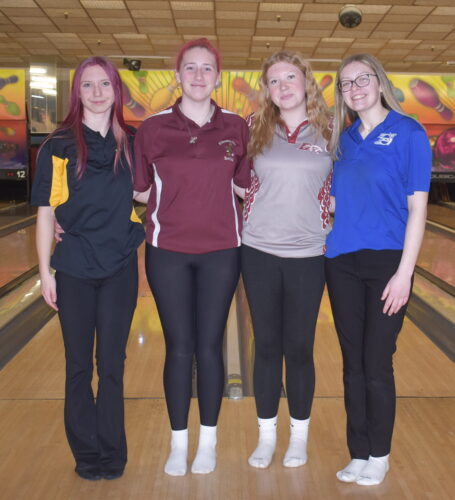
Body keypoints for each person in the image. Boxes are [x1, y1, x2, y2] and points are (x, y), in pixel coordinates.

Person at [134, 38, 251, 476]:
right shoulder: (153, 129)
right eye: (190, 68)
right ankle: (178, 443)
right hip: (167, 252)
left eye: (206, 68)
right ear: (178, 75)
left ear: (218, 77)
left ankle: (209, 444)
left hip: (222, 250)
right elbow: (139, 189)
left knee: (210, 345)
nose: (198, 75)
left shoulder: (236, 126)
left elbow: (246, 186)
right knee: (179, 347)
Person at [32, 57, 145, 481]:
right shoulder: (58, 146)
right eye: (87, 85)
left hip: (119, 267)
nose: (97, 93)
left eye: (104, 84)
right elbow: (46, 213)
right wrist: (45, 272)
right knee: (78, 365)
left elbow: (148, 193)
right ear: (76, 93)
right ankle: (86, 452)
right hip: (75, 268)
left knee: (112, 364)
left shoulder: (133, 143)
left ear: (117, 90)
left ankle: (112, 452)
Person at [325, 54, 431, 486]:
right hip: (341, 261)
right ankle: (359, 451)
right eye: (346, 83)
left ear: (379, 81)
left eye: (362, 79)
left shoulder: (409, 132)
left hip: (388, 261)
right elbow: (336, 199)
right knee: (352, 363)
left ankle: (380, 454)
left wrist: (405, 273)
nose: (355, 88)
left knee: (376, 360)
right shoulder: (344, 140)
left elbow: (418, 208)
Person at [240, 51, 332, 469]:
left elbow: (348, 184)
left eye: (290, 77)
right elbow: (233, 180)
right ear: (267, 90)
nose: (283, 86)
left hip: (308, 255)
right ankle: (266, 438)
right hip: (258, 251)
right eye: (274, 81)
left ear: (305, 81)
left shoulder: (331, 130)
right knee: (266, 346)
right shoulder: (253, 127)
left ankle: (298, 438)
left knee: (299, 348)